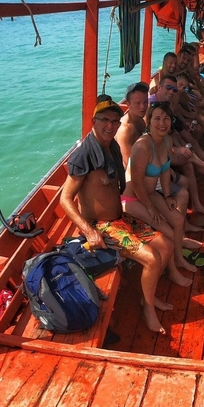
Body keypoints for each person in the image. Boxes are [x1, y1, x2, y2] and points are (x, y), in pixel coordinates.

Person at [59, 100, 175, 334]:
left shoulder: (110, 146)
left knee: (167, 244)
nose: (110, 126)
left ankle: (148, 296)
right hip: (101, 226)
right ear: (94, 122)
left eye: (115, 121)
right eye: (104, 120)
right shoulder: (84, 155)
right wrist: (89, 232)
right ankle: (148, 310)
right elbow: (65, 198)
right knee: (152, 259)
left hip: (119, 218)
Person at [122, 102, 200, 287]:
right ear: (149, 122)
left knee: (178, 220)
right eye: (157, 118)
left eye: (166, 118)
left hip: (150, 194)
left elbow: (165, 171)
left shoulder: (167, 141)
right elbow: (137, 183)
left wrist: (167, 196)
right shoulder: (142, 146)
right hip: (133, 199)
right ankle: (172, 272)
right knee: (169, 232)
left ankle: (179, 259)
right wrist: (151, 209)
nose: (162, 123)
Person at [115, 81, 149, 166]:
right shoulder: (125, 130)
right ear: (128, 104)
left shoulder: (140, 119)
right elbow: (129, 164)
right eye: (138, 103)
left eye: (145, 102)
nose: (142, 107)